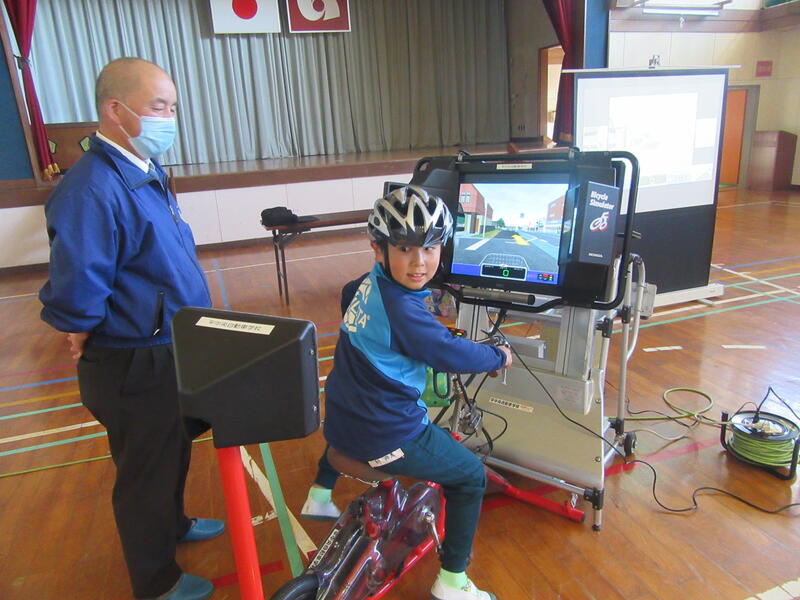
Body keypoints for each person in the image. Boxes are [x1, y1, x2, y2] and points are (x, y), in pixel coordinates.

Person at [39, 57, 222, 600]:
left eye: (173, 107)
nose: (169, 118)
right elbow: (79, 280)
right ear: (115, 110)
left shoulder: (143, 169)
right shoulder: (91, 188)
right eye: (158, 107)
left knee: (173, 447)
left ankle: (175, 524)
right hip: (133, 356)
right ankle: (156, 582)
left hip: (170, 342)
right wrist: (78, 327)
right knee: (145, 472)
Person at [304, 186, 512, 600]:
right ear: (378, 248)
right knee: (470, 477)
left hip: (343, 417)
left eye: (430, 248)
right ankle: (452, 582)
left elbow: (351, 297)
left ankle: (319, 494)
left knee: (355, 407)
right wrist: (497, 355)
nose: (420, 263)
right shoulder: (401, 310)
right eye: (404, 249)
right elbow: (446, 352)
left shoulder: (367, 284)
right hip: (388, 433)